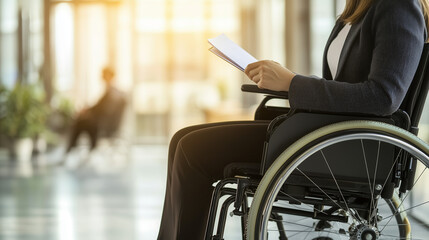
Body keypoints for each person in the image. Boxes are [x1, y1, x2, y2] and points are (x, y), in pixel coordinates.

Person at [157, 0, 429, 239]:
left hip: (347, 148)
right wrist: (285, 80)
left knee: (193, 148)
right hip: (326, 135)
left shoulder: (398, 5)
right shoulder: (357, 11)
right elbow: (347, 87)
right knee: (182, 139)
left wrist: (293, 84)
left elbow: (382, 97)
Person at [64, 67, 126, 157]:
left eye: (103, 74)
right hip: (102, 122)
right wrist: (87, 111)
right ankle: (84, 149)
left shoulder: (112, 92)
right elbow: (98, 106)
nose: (101, 76)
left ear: (109, 76)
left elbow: (104, 110)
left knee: (79, 123)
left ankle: (72, 150)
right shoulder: (112, 91)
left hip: (103, 124)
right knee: (81, 120)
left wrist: (88, 113)